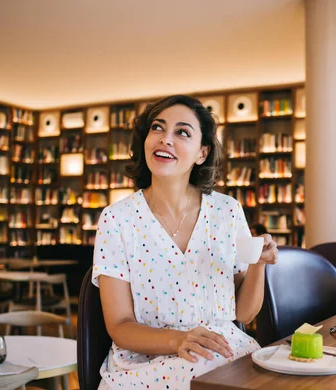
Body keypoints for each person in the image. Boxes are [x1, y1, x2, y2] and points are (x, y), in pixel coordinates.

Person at [92, 95, 278, 390]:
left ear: (201, 153)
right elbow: (120, 326)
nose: (165, 139)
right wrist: (178, 340)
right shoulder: (116, 219)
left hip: (224, 352)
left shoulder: (227, 211)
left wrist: (259, 264)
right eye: (157, 128)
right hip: (146, 363)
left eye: (182, 132)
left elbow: (244, 314)